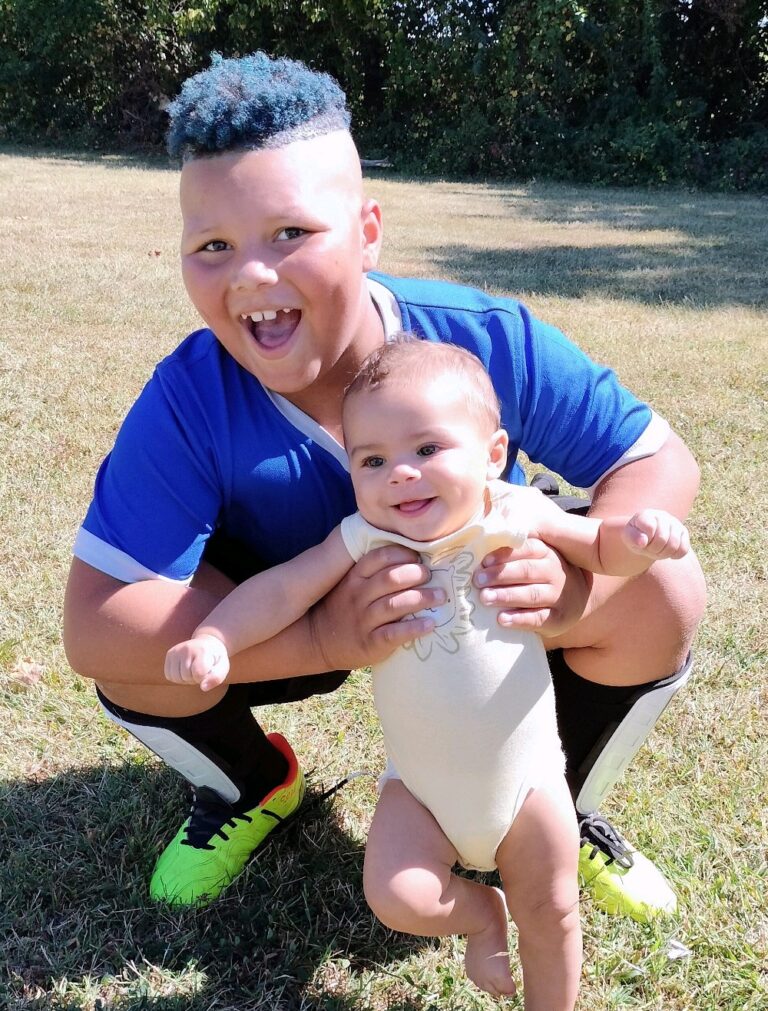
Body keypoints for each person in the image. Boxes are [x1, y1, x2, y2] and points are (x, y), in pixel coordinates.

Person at [62, 52, 706, 921]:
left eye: (290, 233)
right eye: (213, 246)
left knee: (664, 587)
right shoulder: (188, 397)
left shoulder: (479, 336)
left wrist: (572, 584)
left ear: (368, 231)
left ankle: (558, 798)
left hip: (492, 622)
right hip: (290, 617)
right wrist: (326, 633)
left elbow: (657, 459)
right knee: (146, 658)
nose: (251, 275)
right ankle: (253, 784)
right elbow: (97, 623)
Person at [163, 337, 691, 1003]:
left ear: (493, 454)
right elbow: (284, 589)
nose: (400, 474)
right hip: (419, 791)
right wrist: (217, 635)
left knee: (552, 913)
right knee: (396, 895)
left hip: (528, 786)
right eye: (373, 460)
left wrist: (639, 539)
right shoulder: (364, 537)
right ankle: (479, 913)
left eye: (427, 449)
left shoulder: (513, 512)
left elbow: (601, 548)